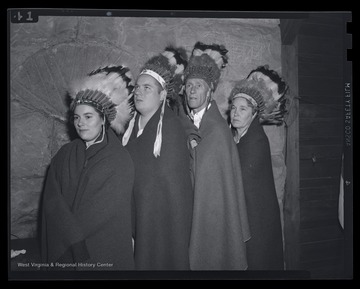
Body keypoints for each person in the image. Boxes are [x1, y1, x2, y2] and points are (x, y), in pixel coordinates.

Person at [41, 65, 135, 270]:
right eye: (76, 117)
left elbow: (100, 213)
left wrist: (74, 238)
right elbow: (52, 199)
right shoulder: (64, 154)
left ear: (103, 119)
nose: (80, 123)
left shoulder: (119, 159)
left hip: (101, 251)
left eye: (88, 117)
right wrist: (70, 236)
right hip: (64, 247)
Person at [179, 41, 250, 270]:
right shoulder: (185, 124)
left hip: (212, 218)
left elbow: (219, 187)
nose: (192, 90)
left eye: (198, 86)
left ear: (210, 91)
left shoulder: (218, 131)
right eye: (189, 85)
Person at [121, 46, 193, 270]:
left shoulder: (170, 127)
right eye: (137, 88)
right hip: (137, 214)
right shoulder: (132, 127)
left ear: (163, 95)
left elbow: (172, 189)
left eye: (147, 88)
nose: (138, 93)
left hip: (161, 221)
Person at [229, 77, 285, 270]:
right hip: (250, 218)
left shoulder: (256, 141)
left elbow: (240, 179)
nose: (235, 113)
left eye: (242, 109)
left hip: (258, 222)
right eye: (233, 108)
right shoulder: (237, 138)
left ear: (254, 114)